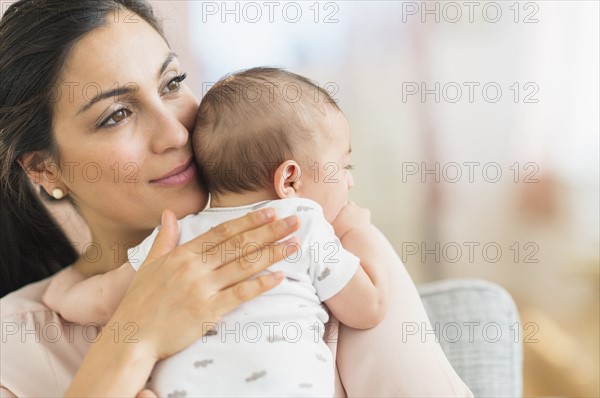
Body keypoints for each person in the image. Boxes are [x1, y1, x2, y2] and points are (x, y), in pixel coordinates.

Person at [0, 1, 474, 397]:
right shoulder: (15, 344)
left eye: (171, 84)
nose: (174, 131)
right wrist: (132, 344)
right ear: (43, 167)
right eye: (116, 115)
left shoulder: (329, 243)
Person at [41, 67, 390, 397]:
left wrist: (60, 294)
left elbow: (103, 300)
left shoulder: (175, 235)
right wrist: (358, 230)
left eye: (172, 82)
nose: (350, 181)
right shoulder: (305, 223)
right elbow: (368, 308)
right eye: (344, 167)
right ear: (290, 179)